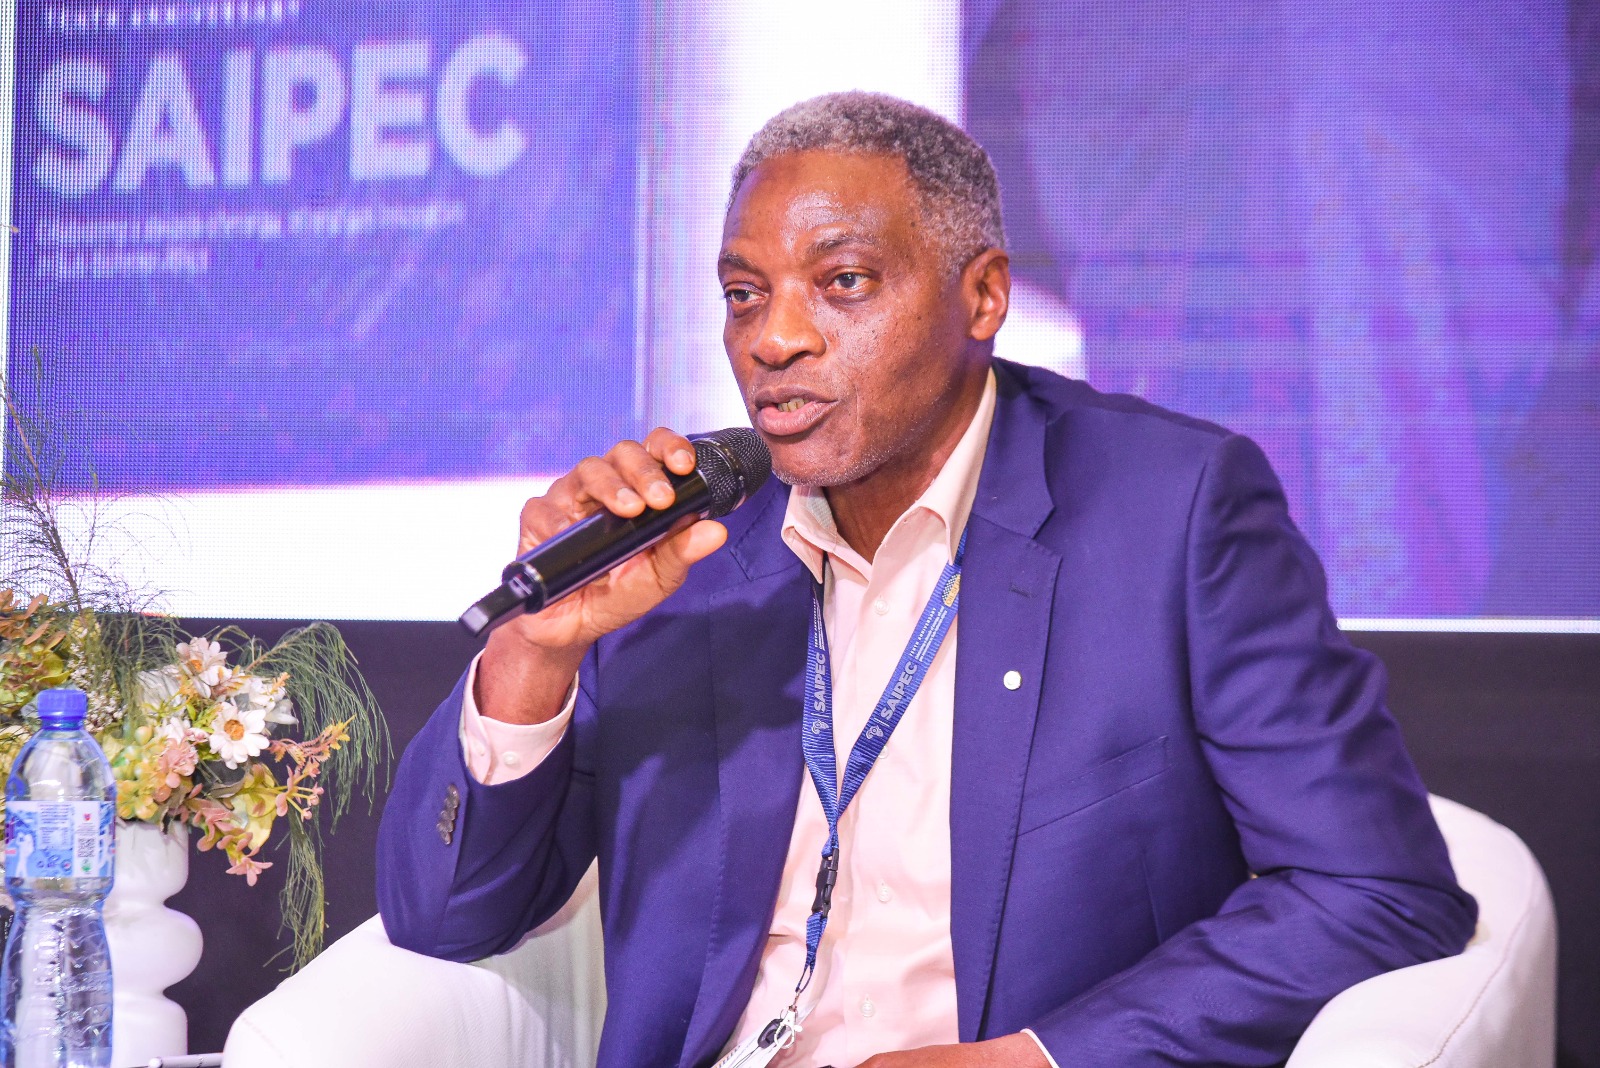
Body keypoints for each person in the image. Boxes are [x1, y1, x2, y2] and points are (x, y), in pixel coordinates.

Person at [377, 92, 1476, 1068]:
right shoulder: (684, 549)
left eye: (842, 282)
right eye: (745, 294)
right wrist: (537, 651)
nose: (775, 339)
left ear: (983, 296)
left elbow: (1376, 891)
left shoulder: (1172, 513)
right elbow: (445, 915)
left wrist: (1036, 1060)